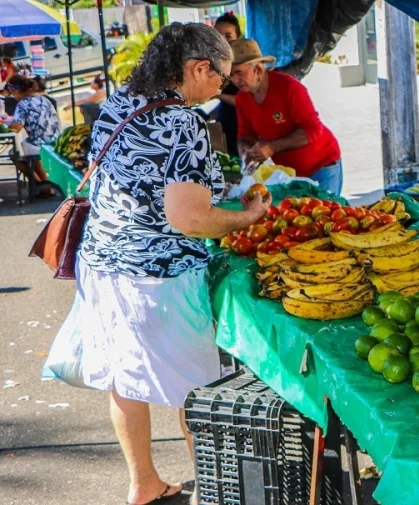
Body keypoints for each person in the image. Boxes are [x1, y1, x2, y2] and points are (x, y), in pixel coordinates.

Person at [49, 23, 271, 505]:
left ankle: (143, 483)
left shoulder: (119, 101)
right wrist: (248, 217)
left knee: (124, 379)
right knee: (195, 391)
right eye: (221, 77)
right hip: (158, 277)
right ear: (197, 68)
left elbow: (144, 183)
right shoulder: (185, 123)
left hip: (103, 262)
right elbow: (189, 220)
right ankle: (212, 492)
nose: (223, 87)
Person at [230, 39, 343, 195]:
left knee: (325, 216)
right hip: (290, 175)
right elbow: (246, 132)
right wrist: (245, 147)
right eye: (231, 75)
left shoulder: (289, 87)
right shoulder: (242, 99)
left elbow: (313, 129)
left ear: (258, 69)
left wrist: (272, 147)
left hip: (321, 167)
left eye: (239, 73)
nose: (235, 80)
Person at [6, 74, 61, 198]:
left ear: (15, 91)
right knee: (26, 149)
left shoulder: (22, 104)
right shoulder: (44, 99)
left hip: (38, 144)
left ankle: (40, 183)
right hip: (55, 139)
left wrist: (7, 124)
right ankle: (45, 185)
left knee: (14, 153)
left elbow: (17, 127)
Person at [213, 12, 241, 156]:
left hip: (243, 129)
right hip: (224, 125)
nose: (222, 40)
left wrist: (217, 94)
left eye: (228, 36)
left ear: (238, 38)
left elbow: (245, 102)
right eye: (218, 35)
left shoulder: (243, 65)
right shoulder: (216, 64)